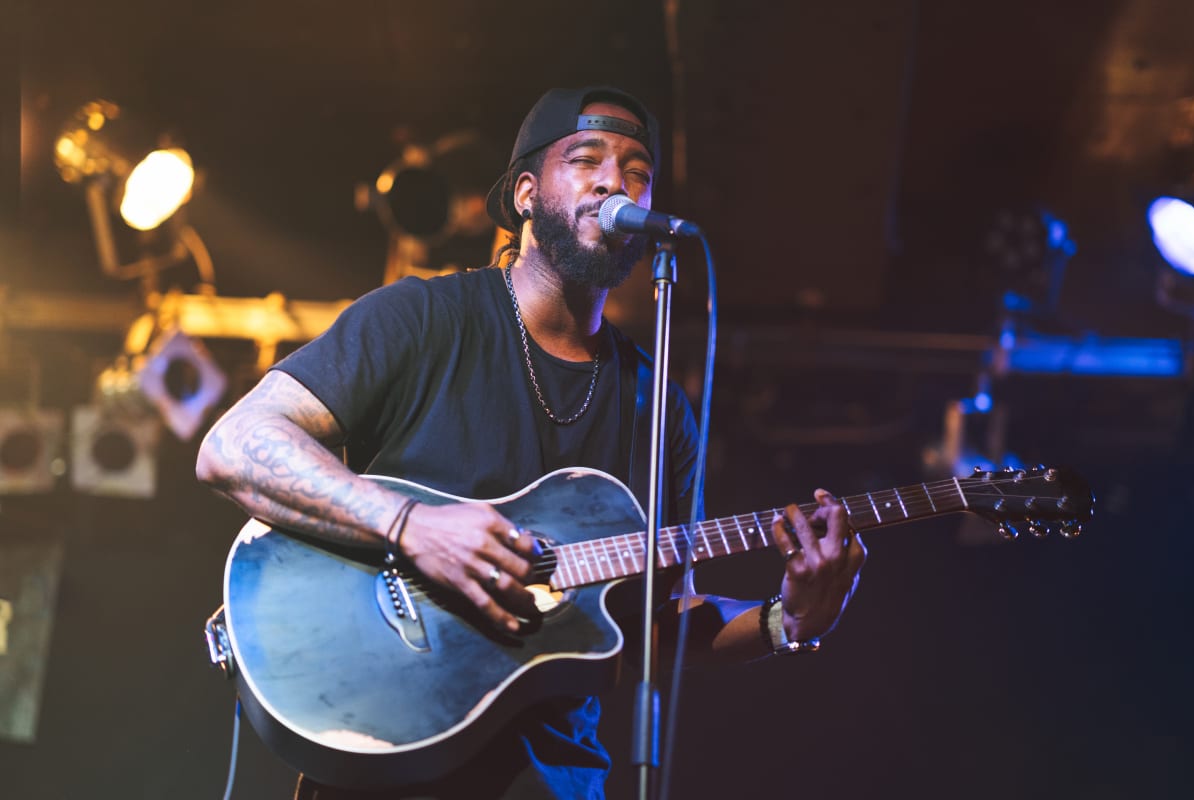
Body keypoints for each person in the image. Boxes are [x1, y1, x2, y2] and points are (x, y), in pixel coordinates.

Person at [196, 85, 866, 799]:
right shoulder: (423, 319)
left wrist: (787, 620)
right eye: (588, 159)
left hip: (556, 781)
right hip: (388, 758)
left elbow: (656, 629)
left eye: (638, 170)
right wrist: (410, 525)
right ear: (524, 193)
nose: (616, 180)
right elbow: (234, 445)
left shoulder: (659, 404)